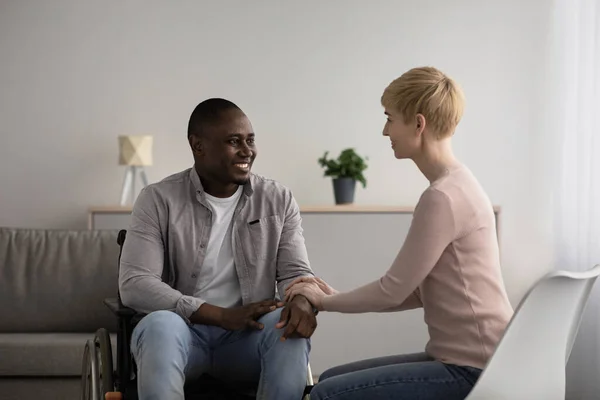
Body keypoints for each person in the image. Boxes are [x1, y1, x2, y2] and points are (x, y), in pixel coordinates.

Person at [285, 66, 514, 400]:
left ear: (418, 124)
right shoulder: (459, 186)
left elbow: (391, 291)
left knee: (326, 395)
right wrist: (333, 296)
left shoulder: (443, 197)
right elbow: (419, 292)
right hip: (484, 360)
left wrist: (326, 301)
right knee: (331, 379)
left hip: (474, 371)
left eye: (390, 118)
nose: (384, 130)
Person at [118, 98, 317, 400]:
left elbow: (296, 273)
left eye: (250, 140)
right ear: (198, 146)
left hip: (248, 338)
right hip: (182, 336)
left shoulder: (278, 199)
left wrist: (302, 299)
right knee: (159, 325)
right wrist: (221, 316)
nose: (247, 151)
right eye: (233, 141)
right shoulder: (158, 199)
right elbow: (135, 285)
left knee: (288, 330)